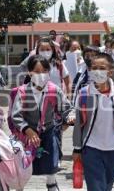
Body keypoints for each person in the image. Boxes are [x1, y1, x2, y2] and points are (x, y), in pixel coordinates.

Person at [11, 55, 75, 191]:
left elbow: (67, 108)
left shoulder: (54, 90)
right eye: (37, 71)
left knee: (51, 159)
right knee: (25, 161)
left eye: (44, 71)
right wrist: (27, 130)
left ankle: (51, 183)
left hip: (49, 130)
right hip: (28, 133)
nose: (41, 75)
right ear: (29, 72)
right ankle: (20, 185)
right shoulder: (22, 92)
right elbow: (16, 115)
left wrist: (70, 117)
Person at [73, 53, 114, 191]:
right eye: (94, 68)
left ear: (110, 71)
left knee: (109, 182)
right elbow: (79, 123)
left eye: (102, 68)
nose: (97, 71)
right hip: (91, 149)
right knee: (95, 185)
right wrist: (77, 148)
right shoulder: (84, 94)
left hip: (113, 149)